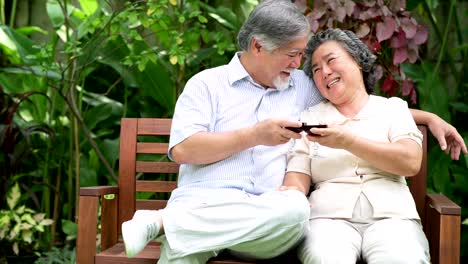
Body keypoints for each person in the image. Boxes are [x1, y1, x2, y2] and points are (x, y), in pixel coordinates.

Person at [121, 1, 466, 263]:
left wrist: (428, 117)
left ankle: (164, 222)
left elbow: (356, 100)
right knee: (182, 252)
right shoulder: (206, 85)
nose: (299, 64)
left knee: (295, 210)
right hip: (203, 207)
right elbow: (183, 150)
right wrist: (255, 135)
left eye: (304, 56)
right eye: (293, 54)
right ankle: (178, 226)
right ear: (258, 46)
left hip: (269, 223)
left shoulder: (302, 84)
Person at [281, 28, 431, 263]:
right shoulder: (309, 119)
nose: (325, 72)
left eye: (331, 61)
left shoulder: (393, 109)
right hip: (328, 221)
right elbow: (297, 176)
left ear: (358, 60)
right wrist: (292, 193)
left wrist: (347, 141)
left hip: (394, 220)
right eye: (316, 70)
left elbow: (410, 161)